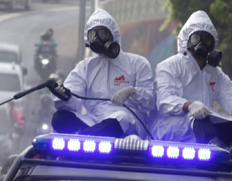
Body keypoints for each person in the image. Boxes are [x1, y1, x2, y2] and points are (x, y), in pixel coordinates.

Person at [153, 10, 232, 159]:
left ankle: (230, 161)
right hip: (172, 129)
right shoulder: (169, 66)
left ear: (213, 45)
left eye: (207, 40)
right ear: (186, 41)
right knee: (200, 117)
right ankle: (216, 152)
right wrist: (190, 106)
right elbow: (164, 99)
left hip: (205, 128)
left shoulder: (215, 74)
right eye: (196, 39)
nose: (202, 44)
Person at [48, 9, 156, 138]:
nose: (99, 40)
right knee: (60, 118)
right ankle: (88, 137)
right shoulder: (86, 67)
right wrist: (64, 96)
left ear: (113, 34)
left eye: (104, 34)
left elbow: (149, 103)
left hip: (128, 121)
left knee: (119, 119)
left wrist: (133, 92)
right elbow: (73, 104)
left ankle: (82, 139)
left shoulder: (138, 63)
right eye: (94, 37)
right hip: (94, 120)